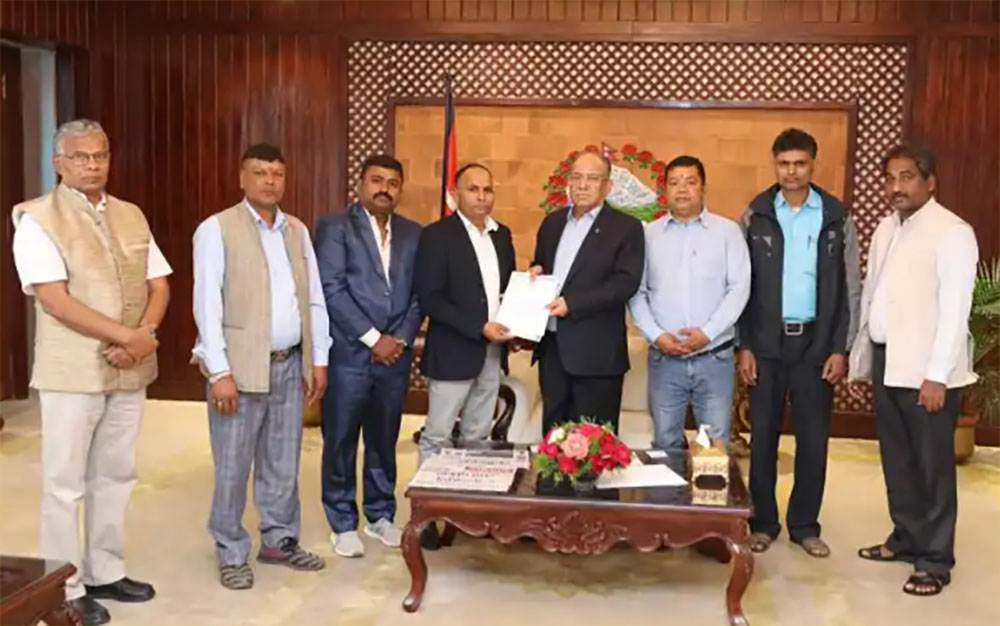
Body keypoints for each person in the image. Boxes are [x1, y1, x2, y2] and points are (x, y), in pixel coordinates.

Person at [11, 119, 170, 625]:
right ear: (59, 163)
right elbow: (56, 300)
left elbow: (159, 283)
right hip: (72, 372)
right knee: (65, 484)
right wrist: (129, 337)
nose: (92, 165)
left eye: (99, 155)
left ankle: (105, 570)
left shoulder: (130, 214)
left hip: (129, 369)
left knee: (116, 474)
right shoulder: (37, 218)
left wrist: (143, 333)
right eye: (80, 157)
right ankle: (63, 587)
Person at [192, 143, 331, 590]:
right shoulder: (216, 229)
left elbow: (313, 298)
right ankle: (231, 550)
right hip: (240, 368)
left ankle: (279, 540)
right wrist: (219, 372)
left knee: (283, 461)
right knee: (233, 466)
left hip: (290, 364)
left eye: (276, 174)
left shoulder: (297, 230)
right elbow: (207, 305)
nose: (269, 181)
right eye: (259, 172)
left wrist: (319, 359)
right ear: (242, 178)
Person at [849, 143, 977, 596]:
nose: (896, 187)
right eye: (890, 178)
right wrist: (863, 357)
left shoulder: (952, 232)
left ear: (930, 182)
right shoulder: (888, 227)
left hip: (928, 369)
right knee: (898, 460)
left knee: (932, 467)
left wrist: (937, 375)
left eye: (906, 177)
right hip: (889, 360)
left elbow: (956, 311)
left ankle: (935, 560)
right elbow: (874, 294)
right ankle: (905, 538)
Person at [737, 128, 860, 558]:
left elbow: (850, 287)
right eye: (784, 163)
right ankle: (762, 522)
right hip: (765, 345)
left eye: (800, 164)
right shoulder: (755, 214)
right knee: (763, 438)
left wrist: (841, 348)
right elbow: (741, 285)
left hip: (816, 344)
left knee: (813, 439)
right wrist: (744, 345)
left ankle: (805, 525)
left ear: (812, 164)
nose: (791, 172)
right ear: (775, 164)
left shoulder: (836, 216)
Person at [314, 154, 423, 558]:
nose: (384, 189)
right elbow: (332, 288)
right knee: (341, 439)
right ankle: (342, 521)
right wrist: (374, 339)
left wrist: (400, 339)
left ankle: (379, 515)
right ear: (360, 184)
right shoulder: (334, 227)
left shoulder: (414, 233)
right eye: (376, 180)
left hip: (394, 359)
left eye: (393, 183)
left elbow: (419, 294)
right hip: (349, 354)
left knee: (384, 438)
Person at [414, 163, 516, 548]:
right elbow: (431, 298)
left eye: (488, 189)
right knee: (438, 436)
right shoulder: (437, 236)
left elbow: (507, 290)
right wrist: (478, 326)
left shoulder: (502, 235)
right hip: (454, 351)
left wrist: (527, 292)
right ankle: (427, 516)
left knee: (477, 436)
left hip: (491, 353)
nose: (482, 197)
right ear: (456, 194)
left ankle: (470, 512)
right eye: (473, 189)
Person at [629, 155, 750, 451]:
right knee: (665, 444)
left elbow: (739, 289)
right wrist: (657, 336)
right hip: (665, 359)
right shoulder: (647, 235)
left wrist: (707, 333)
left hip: (714, 357)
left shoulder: (728, 232)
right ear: (665, 190)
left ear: (703, 188)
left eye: (690, 182)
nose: (682, 189)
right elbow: (637, 293)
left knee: (714, 448)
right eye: (674, 183)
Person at [529, 150, 644, 434]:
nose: (582, 185)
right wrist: (534, 272)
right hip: (553, 350)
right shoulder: (552, 223)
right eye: (577, 177)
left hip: (598, 356)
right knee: (553, 439)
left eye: (592, 178)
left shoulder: (626, 228)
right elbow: (541, 266)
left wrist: (573, 303)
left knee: (595, 443)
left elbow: (625, 282)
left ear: (608, 186)